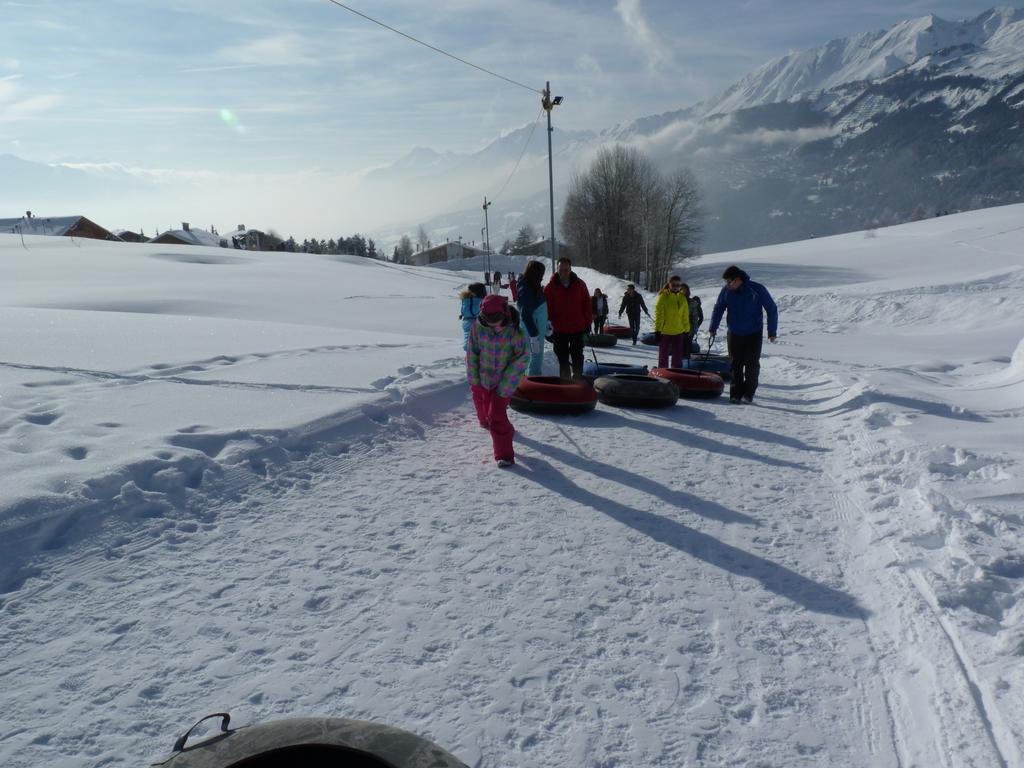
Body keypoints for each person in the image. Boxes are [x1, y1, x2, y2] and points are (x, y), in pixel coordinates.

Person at [467, 294, 529, 467]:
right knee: (490, 413)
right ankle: (507, 430)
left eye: (496, 319)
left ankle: (504, 455)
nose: (492, 323)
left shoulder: (514, 330)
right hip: (485, 379)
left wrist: (506, 383)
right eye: (488, 320)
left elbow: (522, 358)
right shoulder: (477, 328)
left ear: (505, 313)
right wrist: (474, 379)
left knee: (495, 415)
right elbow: (472, 354)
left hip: (505, 381)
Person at [708, 265, 778, 404]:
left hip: (754, 333)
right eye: (726, 282)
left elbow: (771, 308)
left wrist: (772, 331)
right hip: (734, 332)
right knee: (735, 365)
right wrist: (713, 327)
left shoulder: (757, 289)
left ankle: (749, 392)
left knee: (751, 365)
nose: (727, 285)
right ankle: (735, 393)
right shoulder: (726, 291)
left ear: (738, 279)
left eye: (729, 282)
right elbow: (718, 308)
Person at [543, 256, 592, 382]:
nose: (563, 273)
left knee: (577, 356)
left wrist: (587, 323)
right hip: (559, 330)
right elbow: (547, 309)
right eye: (561, 270)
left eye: (566, 270)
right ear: (557, 269)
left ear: (570, 269)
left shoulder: (580, 284)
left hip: (578, 328)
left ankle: (577, 380)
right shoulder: (550, 287)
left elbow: (587, 304)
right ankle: (565, 384)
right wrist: (548, 327)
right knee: (562, 358)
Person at [515, 260, 548, 376]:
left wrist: (546, 325)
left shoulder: (533, 285)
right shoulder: (526, 288)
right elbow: (526, 314)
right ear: (535, 273)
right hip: (533, 332)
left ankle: (532, 379)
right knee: (535, 357)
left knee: (536, 357)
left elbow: (538, 309)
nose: (543, 277)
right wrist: (534, 336)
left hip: (537, 329)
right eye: (541, 274)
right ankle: (534, 381)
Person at [654, 275, 691, 369]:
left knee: (678, 356)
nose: (675, 287)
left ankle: (676, 374)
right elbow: (659, 315)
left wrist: (687, 330)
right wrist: (657, 330)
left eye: (678, 285)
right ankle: (662, 373)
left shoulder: (682, 298)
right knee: (663, 356)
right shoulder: (663, 297)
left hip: (678, 332)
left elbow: (685, 316)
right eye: (673, 285)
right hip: (665, 332)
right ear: (669, 284)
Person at [458, 282, 487, 350]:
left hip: (466, 321)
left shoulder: (466, 300)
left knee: (468, 338)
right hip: (477, 322)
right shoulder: (480, 301)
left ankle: (469, 351)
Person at [680, 283, 703, 359]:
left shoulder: (692, 303)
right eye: (681, 289)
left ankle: (686, 362)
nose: (682, 291)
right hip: (676, 329)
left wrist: (695, 328)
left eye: (684, 290)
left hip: (688, 329)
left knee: (686, 347)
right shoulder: (674, 301)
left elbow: (696, 317)